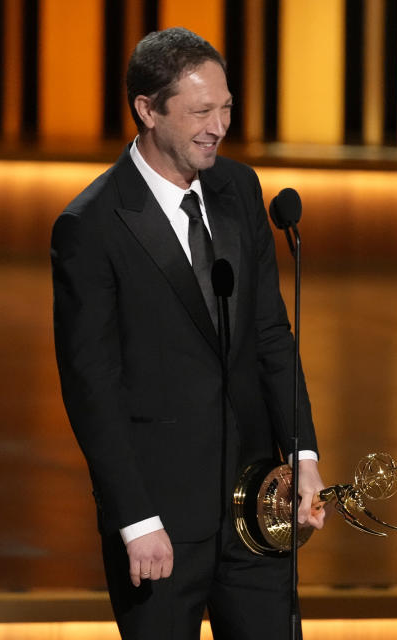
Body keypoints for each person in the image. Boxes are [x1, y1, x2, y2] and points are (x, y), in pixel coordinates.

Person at [51, 27, 326, 639]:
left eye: (226, 107)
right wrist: (134, 518)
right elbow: (92, 387)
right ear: (147, 109)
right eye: (201, 111)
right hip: (162, 523)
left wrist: (302, 453)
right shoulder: (91, 226)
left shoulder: (238, 190)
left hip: (257, 508)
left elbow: (271, 335)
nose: (219, 125)